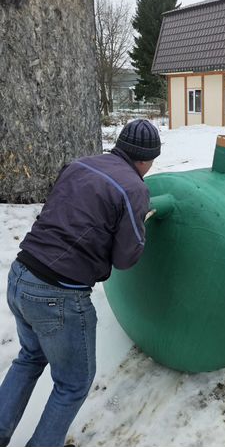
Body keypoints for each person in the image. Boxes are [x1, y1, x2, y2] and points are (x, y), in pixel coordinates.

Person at [0, 119, 161, 447]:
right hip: (58, 295)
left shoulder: (79, 164)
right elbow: (125, 259)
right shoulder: (133, 188)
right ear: (146, 160)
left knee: (29, 358)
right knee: (73, 384)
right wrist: (139, 228)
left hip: (21, 273)